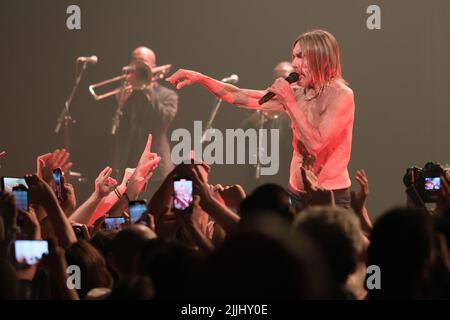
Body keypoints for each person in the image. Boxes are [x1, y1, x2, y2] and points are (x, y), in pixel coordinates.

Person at [167, 29, 355, 209]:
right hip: (296, 192)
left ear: (320, 58)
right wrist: (201, 78)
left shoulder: (341, 95)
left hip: (330, 196)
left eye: (300, 56)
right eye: (294, 56)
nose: (295, 64)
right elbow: (239, 96)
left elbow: (316, 143)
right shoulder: (298, 94)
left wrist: (288, 100)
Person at [117, 46, 178, 197]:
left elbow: (162, 121)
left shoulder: (168, 95)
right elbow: (113, 128)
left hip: (157, 170)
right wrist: (121, 103)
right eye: (135, 62)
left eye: (142, 62)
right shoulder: (125, 93)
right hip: (130, 168)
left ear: (153, 67)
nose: (138, 66)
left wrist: (147, 87)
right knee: (133, 217)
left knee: (157, 216)